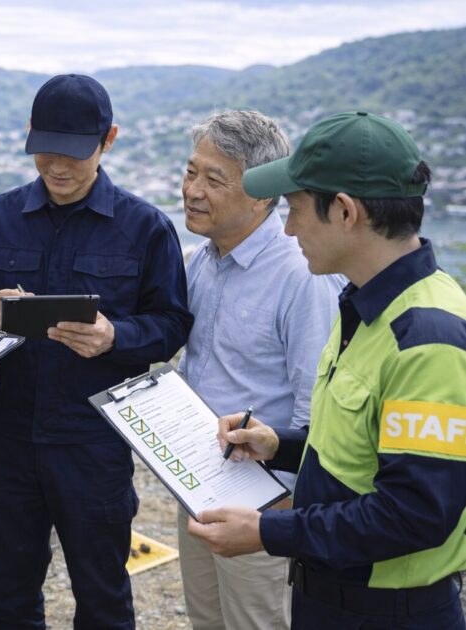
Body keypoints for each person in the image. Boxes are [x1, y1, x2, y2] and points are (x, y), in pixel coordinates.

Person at [188, 111, 466, 629]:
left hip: (386, 612)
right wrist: (281, 444)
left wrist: (270, 533)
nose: (288, 227)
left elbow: (415, 514)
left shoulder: (426, 336)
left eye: (295, 209)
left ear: (343, 211)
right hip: (332, 594)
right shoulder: (363, 304)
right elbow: (359, 450)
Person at [0, 74, 193, 629]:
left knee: (103, 595)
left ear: (109, 139)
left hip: (94, 442)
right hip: (8, 437)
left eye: (74, 154)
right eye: (45, 151)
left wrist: (116, 336)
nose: (57, 167)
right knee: (9, 595)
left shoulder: (145, 229)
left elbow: (172, 323)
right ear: (29, 134)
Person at [176, 110, 341, 630]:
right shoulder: (200, 259)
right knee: (206, 618)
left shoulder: (301, 273)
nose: (193, 190)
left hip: (265, 502)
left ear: (262, 195)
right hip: (198, 482)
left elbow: (316, 405)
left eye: (214, 179)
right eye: (190, 171)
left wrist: (285, 511)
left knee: (257, 622)